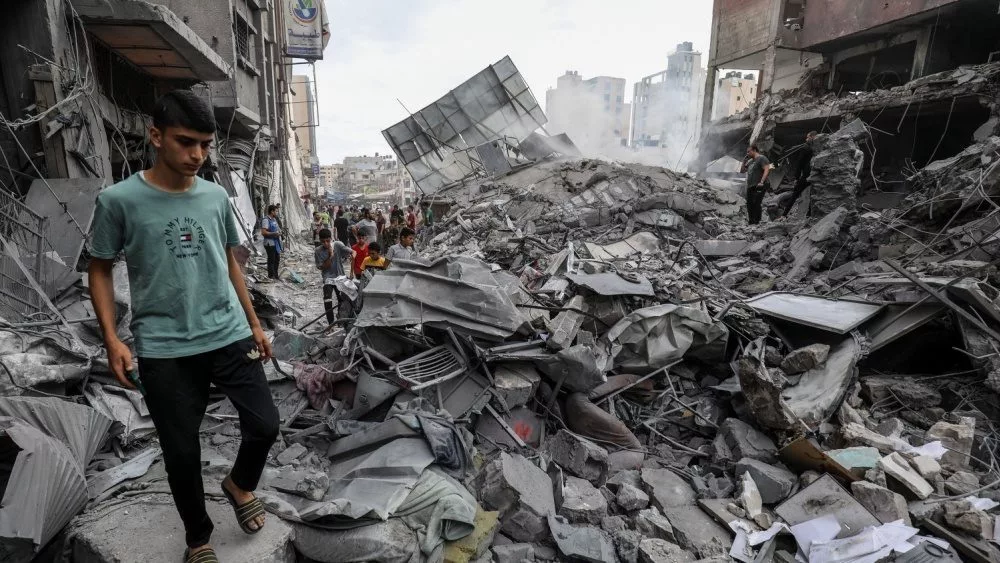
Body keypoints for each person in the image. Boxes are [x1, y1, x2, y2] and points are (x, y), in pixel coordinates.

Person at [88, 90, 278, 563]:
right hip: (164, 347)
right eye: (185, 142)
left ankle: (238, 484)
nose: (197, 155)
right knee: (181, 452)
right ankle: (198, 538)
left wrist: (254, 323)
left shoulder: (216, 196)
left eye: (206, 145)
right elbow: (99, 267)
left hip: (229, 332)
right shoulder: (118, 201)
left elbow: (231, 262)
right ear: (156, 136)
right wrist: (113, 339)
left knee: (265, 425)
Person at [314, 228, 355, 325]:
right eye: (323, 241)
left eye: (327, 241)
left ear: (331, 238)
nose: (326, 243)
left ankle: (341, 321)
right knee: (327, 299)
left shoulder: (337, 244)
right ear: (320, 241)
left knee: (342, 299)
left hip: (339, 277)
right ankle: (331, 323)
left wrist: (352, 258)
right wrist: (331, 255)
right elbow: (324, 267)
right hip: (328, 278)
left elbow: (352, 252)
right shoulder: (318, 251)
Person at [780, 131, 817, 217]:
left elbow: (799, 164)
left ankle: (784, 215)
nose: (806, 139)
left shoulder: (806, 148)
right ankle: (809, 215)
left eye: (808, 137)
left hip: (806, 176)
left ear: (812, 137)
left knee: (795, 195)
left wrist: (796, 177)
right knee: (813, 195)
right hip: (813, 175)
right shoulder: (814, 148)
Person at [741, 144, 771, 225]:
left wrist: (761, 182)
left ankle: (757, 222)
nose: (747, 153)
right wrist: (744, 161)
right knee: (749, 204)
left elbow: (766, 170)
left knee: (756, 203)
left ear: (754, 150)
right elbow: (742, 171)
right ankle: (751, 222)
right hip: (751, 185)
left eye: (749, 151)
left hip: (760, 184)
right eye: (747, 152)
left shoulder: (762, 158)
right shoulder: (750, 161)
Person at [260, 204, 282, 279]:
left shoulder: (274, 219)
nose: (277, 213)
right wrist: (274, 233)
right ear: (272, 211)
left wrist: (279, 232)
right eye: (276, 211)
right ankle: (271, 276)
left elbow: (277, 228)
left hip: (275, 242)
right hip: (269, 243)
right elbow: (263, 232)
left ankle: (276, 275)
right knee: (271, 259)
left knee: (277, 259)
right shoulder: (266, 220)